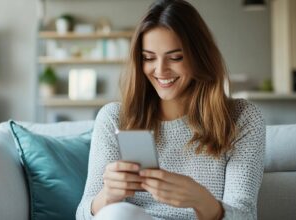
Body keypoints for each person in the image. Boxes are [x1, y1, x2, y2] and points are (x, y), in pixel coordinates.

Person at [76, 0, 265, 219]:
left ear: (199, 57)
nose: (160, 70)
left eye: (175, 57)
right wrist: (108, 195)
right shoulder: (115, 118)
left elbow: (245, 215)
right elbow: (82, 215)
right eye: (148, 58)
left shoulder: (242, 118)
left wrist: (200, 200)